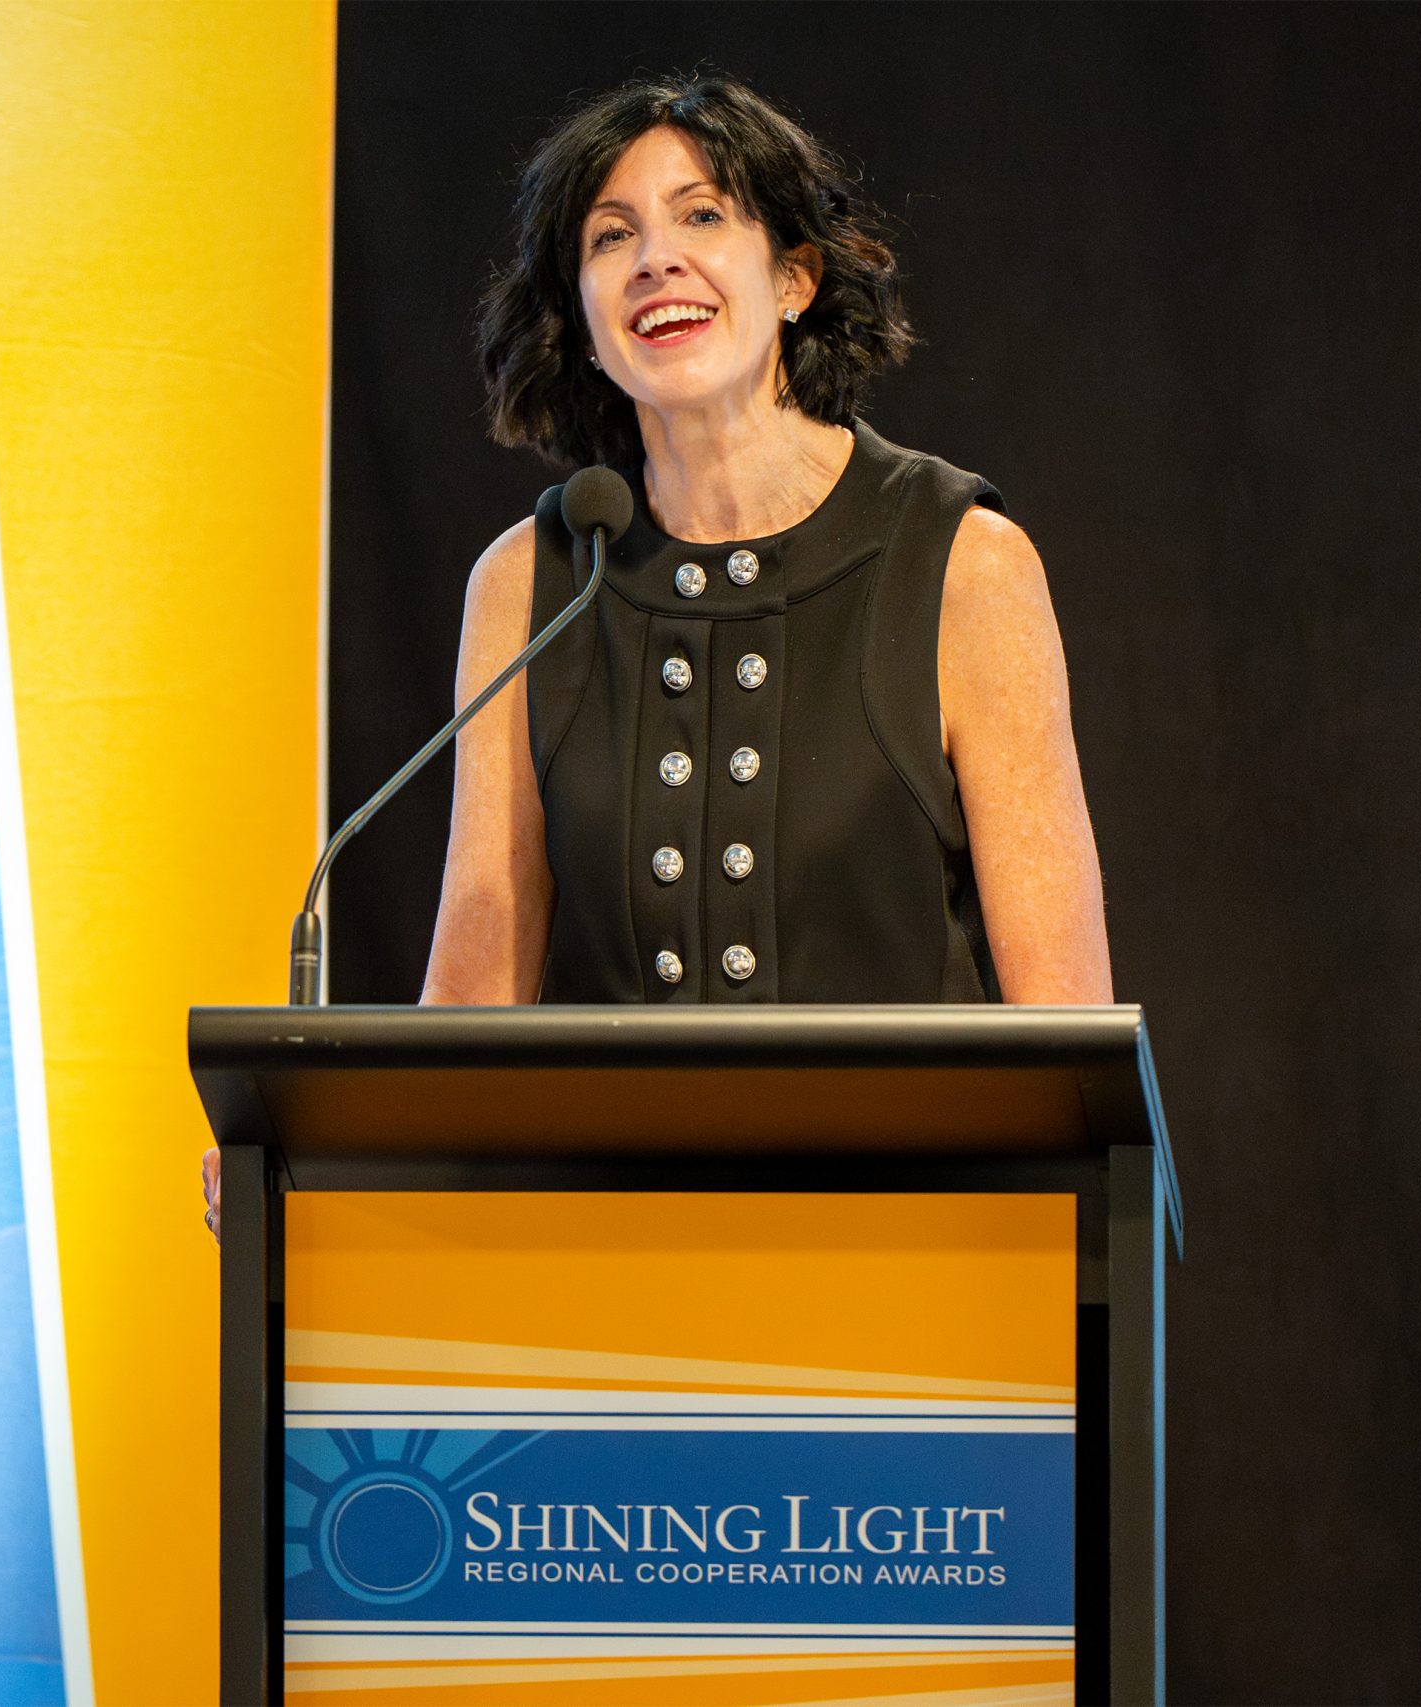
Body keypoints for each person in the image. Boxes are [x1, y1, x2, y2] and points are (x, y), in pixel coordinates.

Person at [204, 72, 1110, 1234]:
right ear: (579, 322)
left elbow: (1064, 1025)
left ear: (795, 277)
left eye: (701, 216)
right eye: (610, 237)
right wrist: (331, 1165)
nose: (654, 260)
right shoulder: (530, 582)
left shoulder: (964, 564)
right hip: (609, 1277)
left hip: (913, 1274)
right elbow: (475, 990)